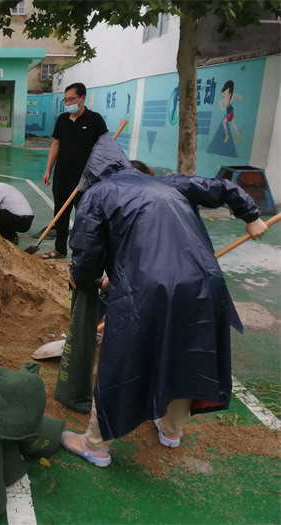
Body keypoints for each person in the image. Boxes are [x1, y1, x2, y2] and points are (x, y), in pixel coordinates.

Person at [60, 136, 268, 467]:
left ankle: (95, 446)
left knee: (120, 361)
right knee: (189, 351)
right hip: (203, 282)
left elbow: (86, 256)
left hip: (147, 290)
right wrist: (251, 215)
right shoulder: (169, 183)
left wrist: (87, 282)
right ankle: (171, 431)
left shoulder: (97, 194)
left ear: (94, 174)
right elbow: (222, 187)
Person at [41, 82, 107, 260]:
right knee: (60, 214)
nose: (68, 102)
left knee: (84, 217)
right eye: (66, 99)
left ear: (82, 98)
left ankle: (82, 254)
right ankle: (59, 249)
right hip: (61, 176)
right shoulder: (63, 119)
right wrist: (48, 170)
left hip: (84, 180)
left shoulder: (95, 120)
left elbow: (105, 147)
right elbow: (55, 145)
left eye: (71, 99)